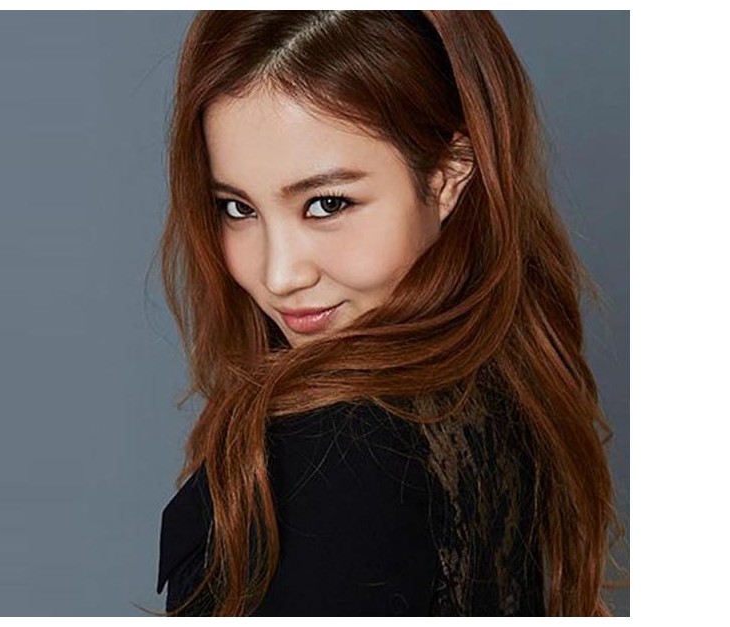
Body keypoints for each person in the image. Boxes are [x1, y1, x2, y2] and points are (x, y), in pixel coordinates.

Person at [154, 10, 621, 617]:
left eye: (327, 204)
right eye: (238, 209)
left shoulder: (330, 454)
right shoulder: (506, 388)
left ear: (448, 175)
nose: (279, 275)